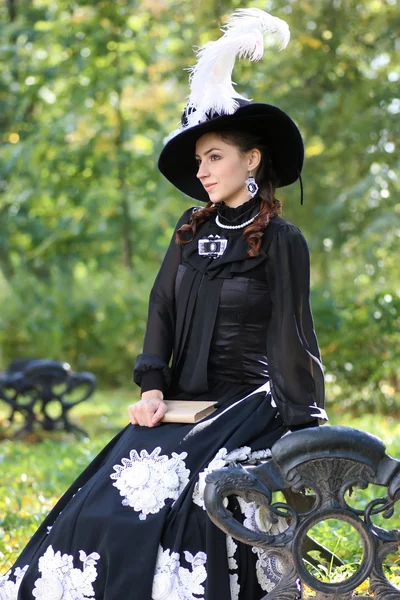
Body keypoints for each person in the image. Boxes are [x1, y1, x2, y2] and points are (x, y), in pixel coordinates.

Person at [1, 9, 327, 600]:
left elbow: (293, 339)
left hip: (243, 405)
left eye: (215, 157)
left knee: (189, 511)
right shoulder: (188, 230)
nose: (202, 171)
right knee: (102, 507)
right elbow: (161, 310)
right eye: (198, 159)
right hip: (175, 398)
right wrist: (151, 386)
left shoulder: (283, 242)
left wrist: (305, 427)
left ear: (251, 160)